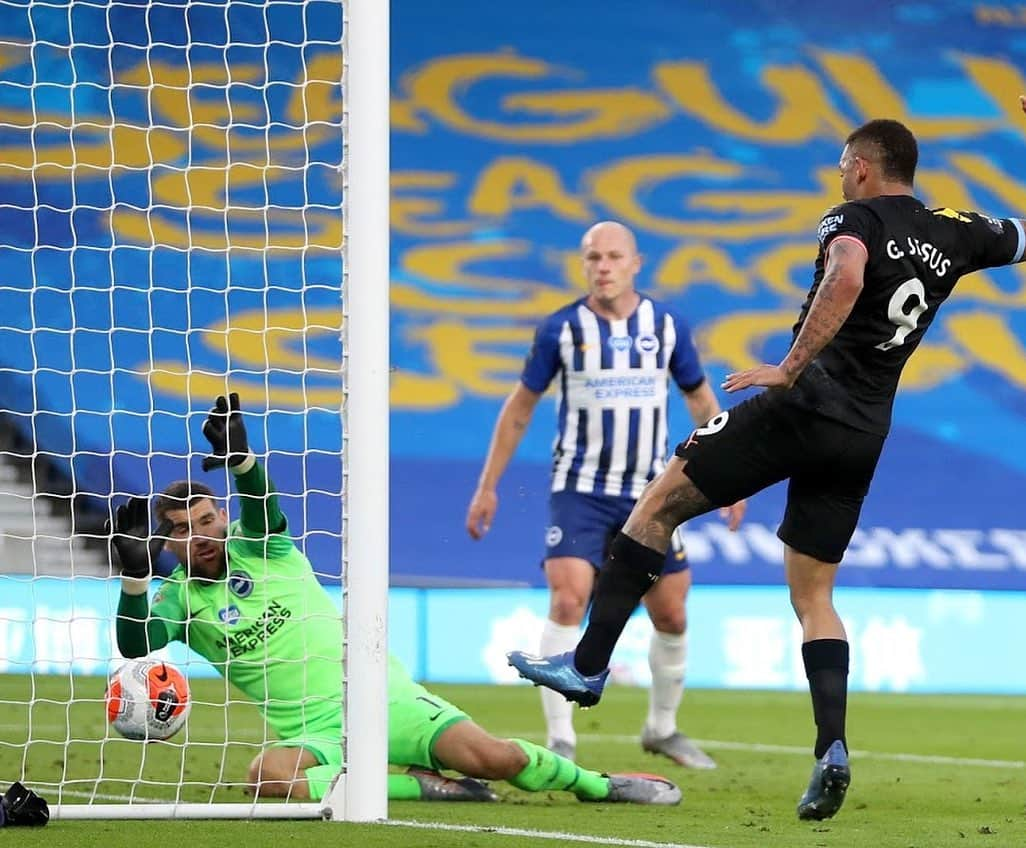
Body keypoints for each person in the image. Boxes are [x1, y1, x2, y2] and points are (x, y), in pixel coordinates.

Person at [509, 102, 1026, 821]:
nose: (841, 175)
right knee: (814, 597)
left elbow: (846, 275)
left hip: (802, 407)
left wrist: (789, 366)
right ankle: (831, 749)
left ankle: (589, 663)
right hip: (865, 432)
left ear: (865, 168)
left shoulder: (855, 221)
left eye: (846, 165)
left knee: (659, 501)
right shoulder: (957, 230)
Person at [111, 393, 681, 806]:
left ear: (223, 518)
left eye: (208, 519)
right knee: (267, 777)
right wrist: (135, 577)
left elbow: (261, 503)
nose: (203, 534)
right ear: (166, 543)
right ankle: (426, 786)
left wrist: (243, 461)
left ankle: (600, 785)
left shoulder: (262, 548)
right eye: (184, 530)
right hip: (314, 734)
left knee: (496, 759)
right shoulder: (177, 598)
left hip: (382, 695)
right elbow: (136, 644)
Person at [466, 221, 745, 769]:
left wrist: (729, 473)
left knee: (671, 612)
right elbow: (520, 408)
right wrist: (487, 486)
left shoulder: (665, 326)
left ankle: (662, 729)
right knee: (569, 597)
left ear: (635, 262)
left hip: (652, 493)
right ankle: (561, 738)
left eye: (614, 256)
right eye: (593, 257)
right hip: (581, 491)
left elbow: (699, 399)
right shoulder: (560, 330)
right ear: (584, 263)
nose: (603, 266)